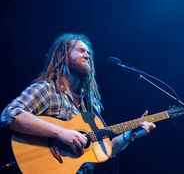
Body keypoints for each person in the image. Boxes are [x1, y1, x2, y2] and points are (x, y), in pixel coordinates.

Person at [0, 33, 156, 173]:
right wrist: (61, 133)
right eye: (81, 50)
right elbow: (10, 114)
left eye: (88, 52)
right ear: (64, 55)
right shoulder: (48, 89)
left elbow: (102, 151)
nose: (87, 55)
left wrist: (130, 135)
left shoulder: (90, 104)